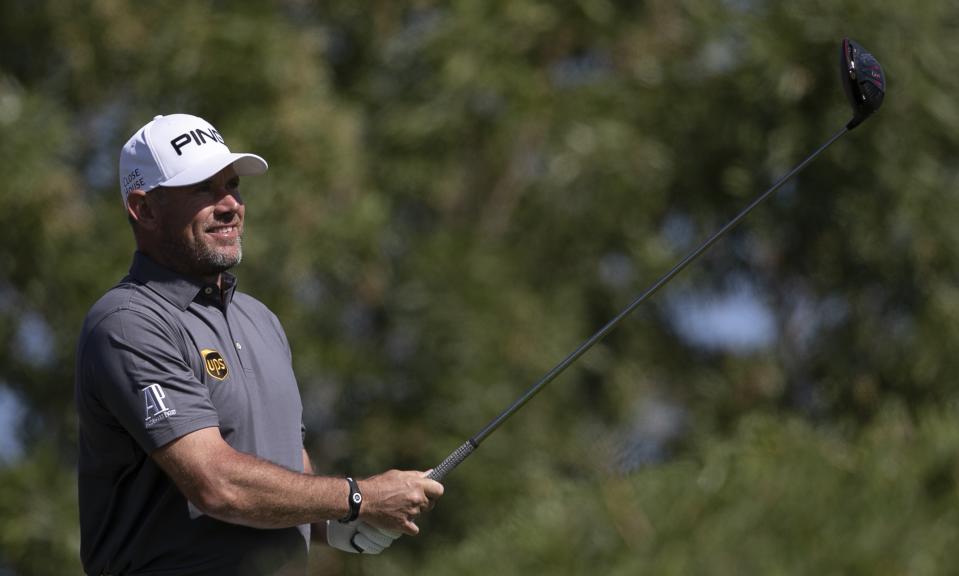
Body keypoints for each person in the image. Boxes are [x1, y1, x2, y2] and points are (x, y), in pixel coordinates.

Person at [74, 113, 444, 575]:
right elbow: (217, 485)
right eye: (203, 189)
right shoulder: (129, 322)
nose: (230, 204)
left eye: (232, 185)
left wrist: (333, 522)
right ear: (144, 209)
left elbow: (289, 470)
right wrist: (357, 497)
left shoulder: (260, 320)